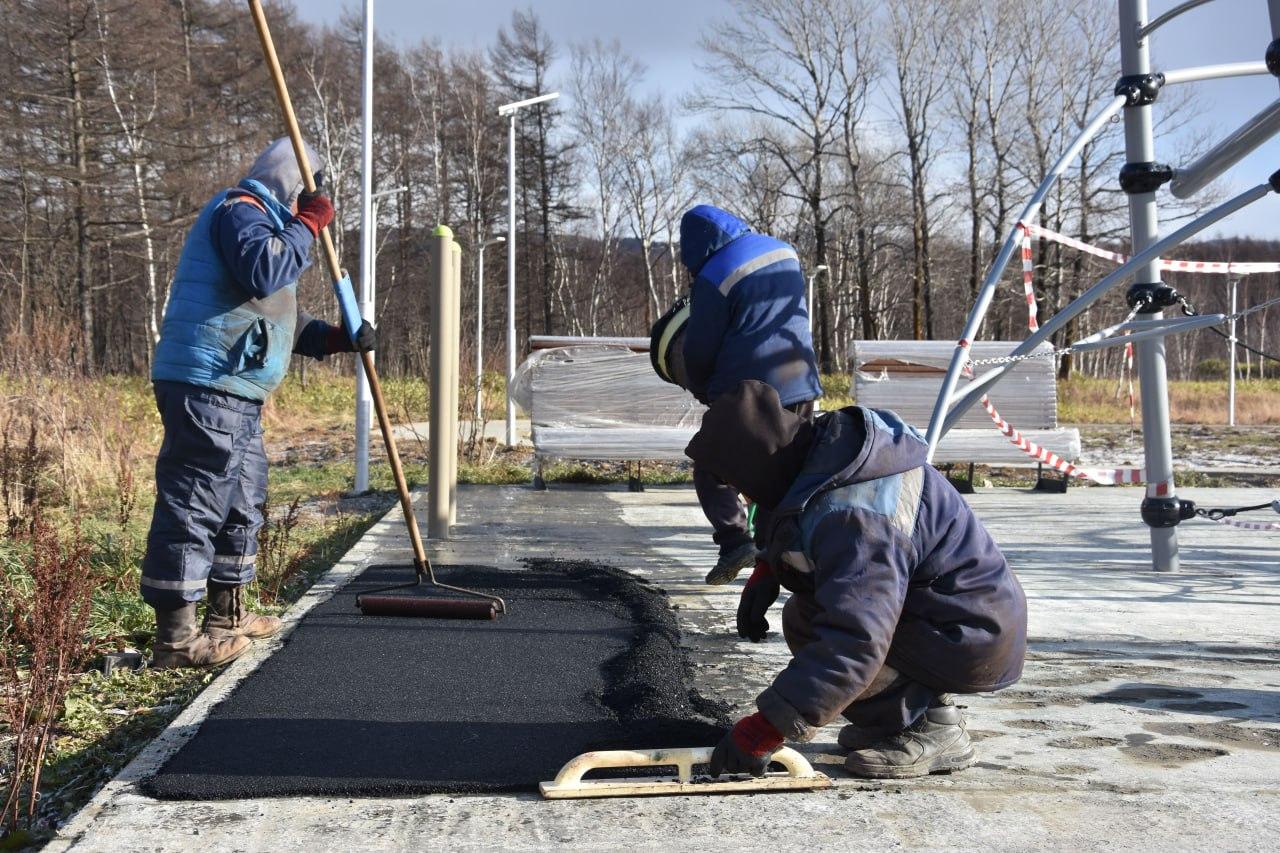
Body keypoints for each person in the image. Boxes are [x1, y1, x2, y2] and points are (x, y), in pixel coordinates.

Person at [685, 380, 1027, 779]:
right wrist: (768, 566)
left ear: (759, 464)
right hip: (950, 615)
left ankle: (932, 728)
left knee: (818, 624)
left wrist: (766, 729)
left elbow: (855, 637)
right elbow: (794, 508)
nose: (744, 497)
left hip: (972, 632)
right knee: (806, 613)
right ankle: (893, 721)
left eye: (742, 487)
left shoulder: (857, 513)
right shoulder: (825, 452)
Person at [142, 137, 375, 669]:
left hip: (236, 391)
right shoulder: (240, 213)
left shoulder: (267, 228)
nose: (308, 209)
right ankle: (176, 642)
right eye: (307, 197)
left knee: (243, 500)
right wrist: (309, 225)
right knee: (197, 500)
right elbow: (264, 272)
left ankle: (227, 617)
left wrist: (338, 338)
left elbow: (274, 323)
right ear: (293, 187)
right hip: (207, 384)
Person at [677, 204, 822, 586]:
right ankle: (786, 554)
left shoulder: (715, 273)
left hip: (750, 390)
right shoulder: (783, 249)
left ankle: (734, 541)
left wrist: (700, 385)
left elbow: (700, 349)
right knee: (791, 471)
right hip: (802, 379)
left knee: (712, 463)